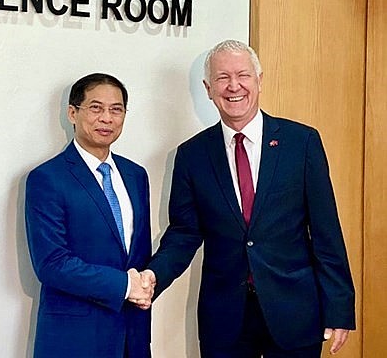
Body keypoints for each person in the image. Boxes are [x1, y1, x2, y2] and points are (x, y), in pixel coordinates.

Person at [137, 40, 355, 357]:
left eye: (243, 75)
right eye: (223, 78)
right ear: (208, 88)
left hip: (295, 312)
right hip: (225, 319)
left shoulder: (302, 142)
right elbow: (184, 232)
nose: (234, 86)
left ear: (259, 81)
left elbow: (326, 231)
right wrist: (153, 275)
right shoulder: (191, 155)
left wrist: (339, 306)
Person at [25, 73, 153, 358]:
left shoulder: (135, 175)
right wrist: (124, 285)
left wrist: (147, 280)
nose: (106, 118)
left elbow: (138, 254)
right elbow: (51, 264)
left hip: (132, 336)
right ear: (73, 113)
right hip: (75, 338)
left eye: (116, 109)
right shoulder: (47, 178)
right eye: (96, 108)